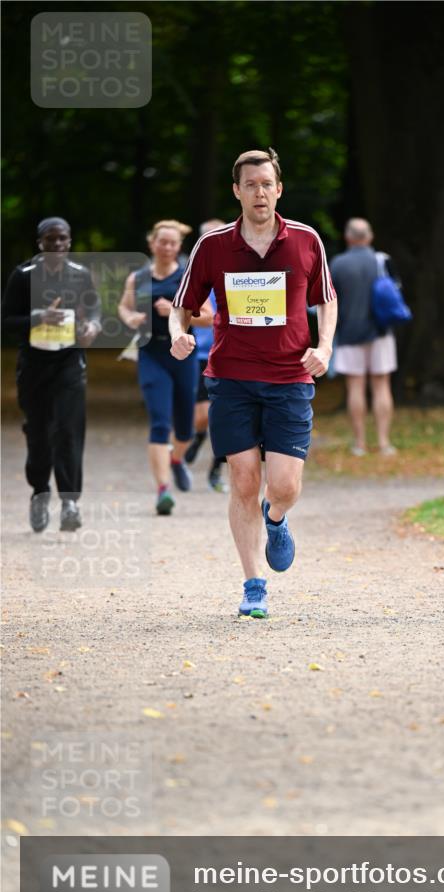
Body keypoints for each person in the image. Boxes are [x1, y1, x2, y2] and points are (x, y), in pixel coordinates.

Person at [169, 147, 337, 617]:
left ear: (278, 189)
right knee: (243, 479)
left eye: (267, 184)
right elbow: (183, 303)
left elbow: (327, 299)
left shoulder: (305, 240)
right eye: (251, 184)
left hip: (289, 376)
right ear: (237, 191)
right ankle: (252, 585)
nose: (259, 192)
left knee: (282, 485)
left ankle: (276, 516)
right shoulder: (214, 245)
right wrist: (178, 334)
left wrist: (323, 347)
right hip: (232, 377)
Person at [1, 217, 101, 531]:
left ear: (70, 242)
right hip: (34, 365)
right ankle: (40, 493)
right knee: (40, 433)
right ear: (40, 243)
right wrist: (38, 316)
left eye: (62, 240)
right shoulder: (23, 275)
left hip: (69, 362)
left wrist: (92, 326)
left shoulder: (80, 275)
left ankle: (70, 502)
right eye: (50, 240)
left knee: (69, 430)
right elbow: (5, 320)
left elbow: (94, 308)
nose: (57, 245)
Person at [118, 220, 212, 515]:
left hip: (183, 355)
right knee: (159, 421)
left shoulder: (188, 277)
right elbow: (124, 306)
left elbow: (208, 316)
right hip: (151, 353)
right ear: (152, 244)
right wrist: (130, 318)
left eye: (173, 243)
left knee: (184, 428)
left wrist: (174, 308)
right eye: (162, 242)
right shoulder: (138, 277)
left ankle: (177, 459)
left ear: (178, 247)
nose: (167, 247)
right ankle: (163, 489)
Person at [329, 218, 398, 456]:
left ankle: (359, 443)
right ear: (369, 237)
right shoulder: (382, 260)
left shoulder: (338, 264)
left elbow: (327, 299)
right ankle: (384, 442)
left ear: (348, 238)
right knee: (381, 386)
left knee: (355, 387)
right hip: (381, 332)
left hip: (349, 333)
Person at [184, 218, 229, 493]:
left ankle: (215, 469)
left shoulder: (238, 268)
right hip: (201, 354)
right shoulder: (196, 271)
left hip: (230, 354)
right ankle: (198, 439)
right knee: (202, 417)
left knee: (224, 417)